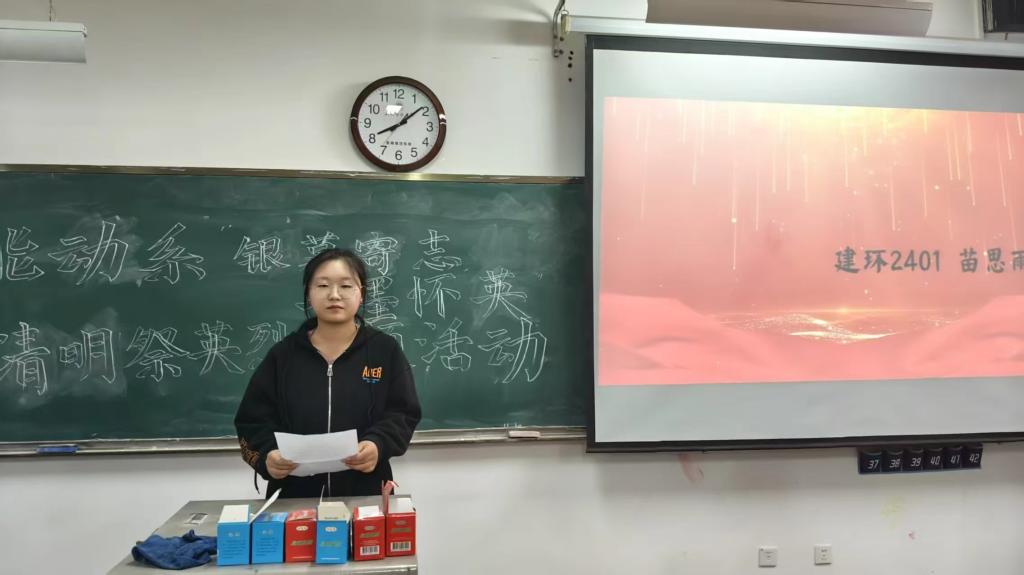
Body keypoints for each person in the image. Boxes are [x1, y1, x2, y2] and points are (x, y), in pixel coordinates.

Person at [235, 248, 421, 497]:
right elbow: (251, 421)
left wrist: (378, 444)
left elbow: (403, 413)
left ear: (361, 294)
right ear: (309, 294)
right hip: (293, 498)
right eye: (323, 285)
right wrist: (267, 455)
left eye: (346, 286)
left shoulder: (384, 351)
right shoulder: (283, 356)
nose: (334, 295)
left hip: (366, 494)